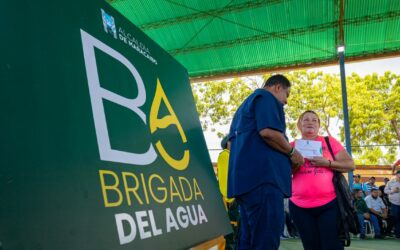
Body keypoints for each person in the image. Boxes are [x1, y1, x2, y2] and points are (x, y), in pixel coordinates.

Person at [228, 74, 304, 250]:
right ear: (277, 87)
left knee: (248, 239)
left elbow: (231, 145)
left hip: (245, 183)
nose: (285, 102)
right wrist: (292, 152)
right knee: (266, 239)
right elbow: (268, 132)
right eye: (287, 95)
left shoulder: (242, 109)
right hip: (265, 180)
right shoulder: (266, 97)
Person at [289, 110, 355, 250]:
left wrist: (328, 163)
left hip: (329, 205)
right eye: (305, 119)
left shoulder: (329, 142)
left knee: (333, 246)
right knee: (311, 247)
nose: (310, 122)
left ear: (318, 126)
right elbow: (283, 174)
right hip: (300, 207)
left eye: (314, 120)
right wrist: (296, 164)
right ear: (299, 125)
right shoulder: (291, 146)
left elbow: (350, 165)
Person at [217, 136, 239, 249]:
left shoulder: (234, 157)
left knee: (237, 233)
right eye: (233, 140)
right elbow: (224, 178)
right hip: (231, 200)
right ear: (227, 143)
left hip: (236, 199)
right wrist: (229, 198)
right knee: (231, 234)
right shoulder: (225, 155)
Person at [384, 170, 400, 238]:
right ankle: (396, 233)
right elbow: (385, 191)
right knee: (395, 218)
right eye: (399, 175)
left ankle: (398, 233)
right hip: (394, 203)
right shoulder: (391, 182)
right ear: (396, 175)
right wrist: (393, 191)